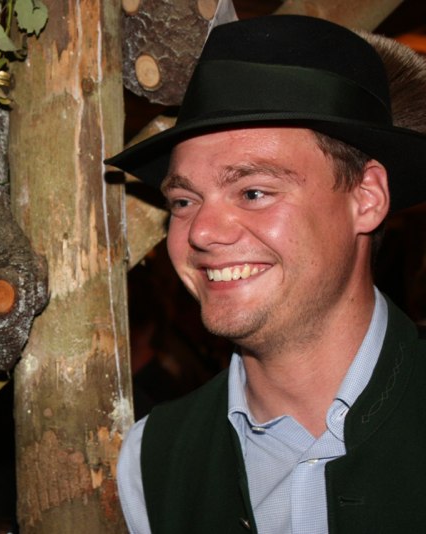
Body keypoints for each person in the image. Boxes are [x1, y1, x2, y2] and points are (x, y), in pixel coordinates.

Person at [105, 15, 426, 534]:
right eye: (184, 200)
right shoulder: (153, 461)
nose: (201, 232)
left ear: (366, 199)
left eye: (253, 192)